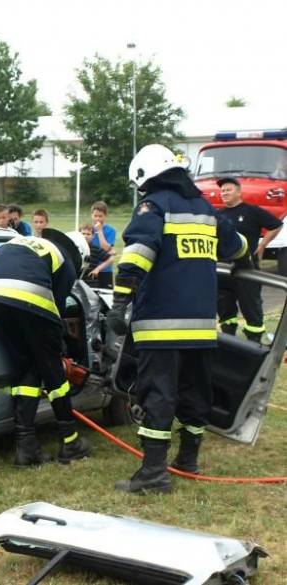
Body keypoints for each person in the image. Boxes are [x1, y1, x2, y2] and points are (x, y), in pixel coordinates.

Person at [107, 144, 248, 495]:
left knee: (158, 395)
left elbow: (138, 252)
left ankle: (154, 472)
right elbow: (238, 247)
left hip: (161, 325)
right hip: (201, 326)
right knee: (195, 394)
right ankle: (187, 460)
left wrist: (120, 303)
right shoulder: (205, 209)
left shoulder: (153, 206)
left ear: (145, 178)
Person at [0, 229, 92, 467]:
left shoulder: (26, 242)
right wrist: (58, 348)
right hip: (29, 299)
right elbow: (56, 312)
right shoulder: (66, 261)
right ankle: (69, 441)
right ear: (78, 255)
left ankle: (26, 448)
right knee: (53, 373)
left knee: (25, 367)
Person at [216, 176, 283, 343]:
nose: (224, 193)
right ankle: (228, 341)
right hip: (223, 270)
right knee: (225, 311)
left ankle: (255, 343)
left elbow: (276, 225)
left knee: (251, 309)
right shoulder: (218, 215)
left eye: (228, 189)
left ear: (239, 192)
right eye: (222, 190)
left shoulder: (252, 211)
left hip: (247, 269)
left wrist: (263, 245)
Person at [89, 201, 116, 289]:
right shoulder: (88, 230)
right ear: (91, 215)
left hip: (105, 269)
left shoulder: (111, 230)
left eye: (100, 216)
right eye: (95, 216)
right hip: (91, 268)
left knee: (106, 294)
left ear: (106, 216)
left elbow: (105, 248)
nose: (98, 219)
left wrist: (100, 231)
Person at [79, 222, 115, 287]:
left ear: (92, 236)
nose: (85, 236)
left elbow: (111, 259)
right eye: (83, 233)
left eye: (88, 234)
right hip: (77, 283)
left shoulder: (95, 249)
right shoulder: (75, 248)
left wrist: (98, 269)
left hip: (92, 284)